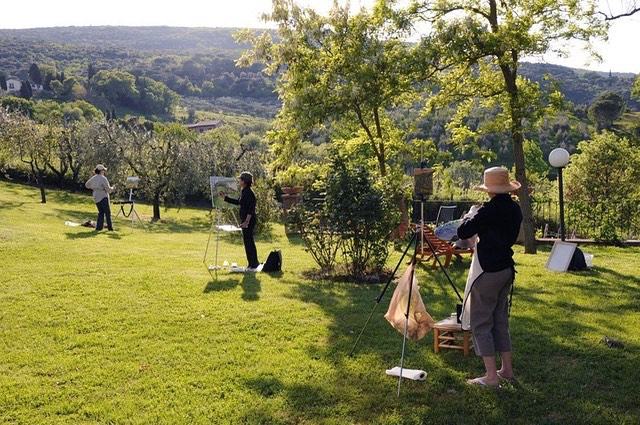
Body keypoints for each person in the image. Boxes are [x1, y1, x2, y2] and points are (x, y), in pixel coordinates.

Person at [456, 167, 522, 388]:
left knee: (481, 322)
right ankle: (507, 369)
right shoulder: (515, 209)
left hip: (488, 271)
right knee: (500, 319)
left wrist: (470, 214)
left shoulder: (486, 211)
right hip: (506, 268)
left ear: (489, 189)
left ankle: (491, 377)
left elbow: (463, 231)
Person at [220, 171, 260, 271]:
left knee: (249, 241)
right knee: (248, 241)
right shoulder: (244, 191)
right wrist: (225, 198)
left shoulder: (249, 193)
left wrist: (246, 222)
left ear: (245, 181)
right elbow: (238, 202)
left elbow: (251, 209)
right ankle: (252, 263)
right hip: (246, 220)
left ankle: (253, 264)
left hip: (249, 221)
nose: (239, 181)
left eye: (240, 179)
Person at [85, 164, 115, 231]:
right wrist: (113, 188)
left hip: (96, 196)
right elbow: (108, 190)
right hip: (103, 196)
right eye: (103, 170)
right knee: (107, 213)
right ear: (101, 171)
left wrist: (93, 187)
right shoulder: (103, 178)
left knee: (101, 212)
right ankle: (110, 228)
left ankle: (99, 227)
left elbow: (86, 185)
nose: (104, 171)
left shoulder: (94, 177)